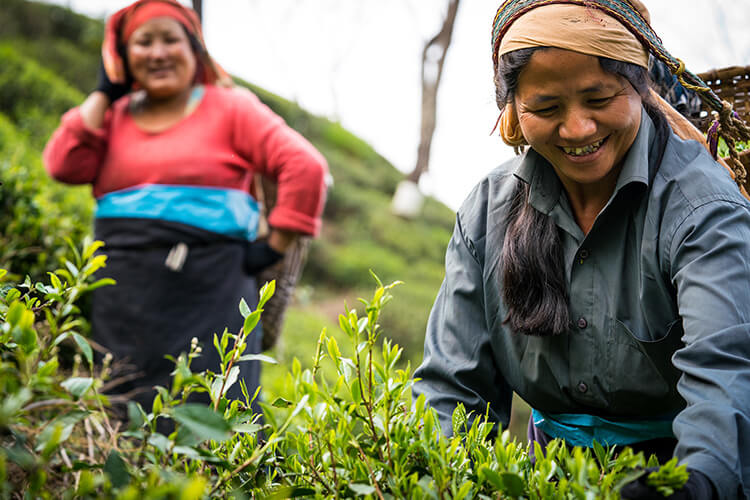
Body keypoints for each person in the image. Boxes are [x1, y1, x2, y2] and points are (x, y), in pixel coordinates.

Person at [413, 1, 750, 498]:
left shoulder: (701, 210)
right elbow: (453, 391)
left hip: (677, 473)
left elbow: (726, 373)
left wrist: (694, 484)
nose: (577, 129)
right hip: (545, 476)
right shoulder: (489, 212)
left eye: (599, 98)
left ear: (640, 85)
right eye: (546, 109)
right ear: (514, 110)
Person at [43, 0, 328, 412]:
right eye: (143, 42)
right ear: (122, 57)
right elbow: (63, 163)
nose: (157, 53)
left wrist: (274, 245)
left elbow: (306, 167)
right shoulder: (115, 116)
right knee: (122, 417)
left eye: (170, 40)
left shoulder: (231, 107)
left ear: (194, 49)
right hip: (125, 302)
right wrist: (105, 92)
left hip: (210, 298)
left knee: (207, 418)